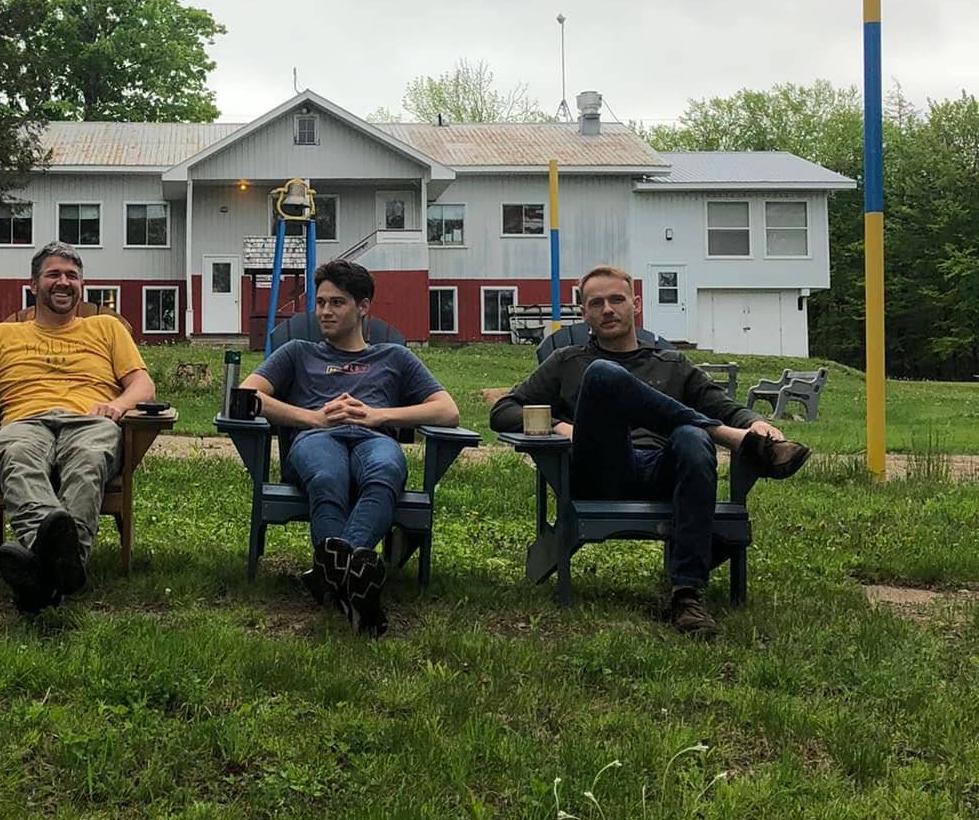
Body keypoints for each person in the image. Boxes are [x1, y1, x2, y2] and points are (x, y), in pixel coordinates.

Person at [489, 264, 809, 635]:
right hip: (602, 470)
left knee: (692, 437)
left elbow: (725, 405)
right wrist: (563, 428)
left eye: (616, 299)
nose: (607, 309)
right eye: (596, 303)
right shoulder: (568, 362)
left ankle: (687, 596)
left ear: (635, 304)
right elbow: (503, 410)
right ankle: (728, 438)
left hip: (664, 473)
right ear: (584, 314)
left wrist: (755, 423)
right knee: (603, 375)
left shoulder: (671, 364)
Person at [0, 243, 157, 614]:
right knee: (17, 457)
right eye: (54, 274)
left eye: (72, 276)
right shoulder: (2, 336)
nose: (64, 282)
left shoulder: (106, 329)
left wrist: (116, 406)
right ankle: (65, 567)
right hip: (24, 424)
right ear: (34, 284)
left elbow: (143, 386)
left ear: (82, 286)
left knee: (88, 459)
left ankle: (41, 572)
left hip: (90, 421)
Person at [241, 260, 459, 636]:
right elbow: (245, 396)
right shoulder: (297, 351)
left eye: (337, 303)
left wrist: (378, 415)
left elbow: (448, 410)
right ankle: (357, 577)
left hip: (374, 439)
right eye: (321, 302)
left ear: (363, 306)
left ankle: (334, 577)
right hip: (315, 441)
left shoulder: (394, 357)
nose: (325, 311)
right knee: (328, 476)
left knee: (386, 471)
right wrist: (313, 419)